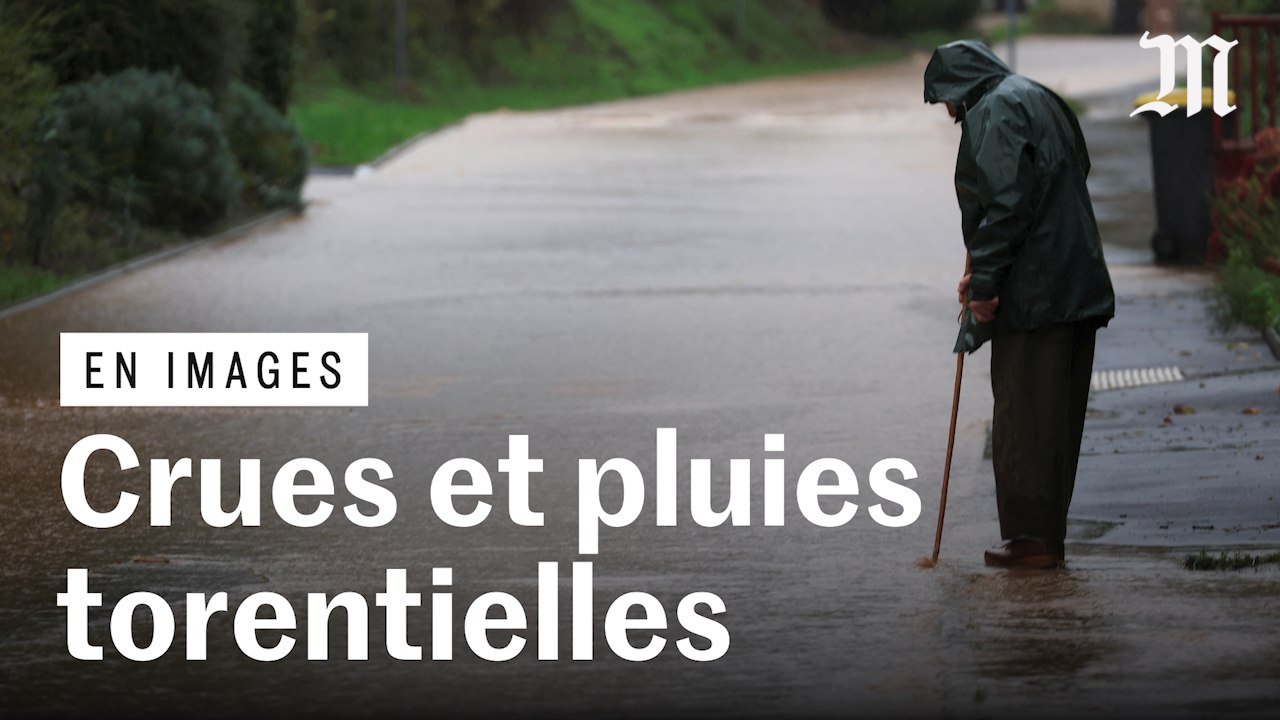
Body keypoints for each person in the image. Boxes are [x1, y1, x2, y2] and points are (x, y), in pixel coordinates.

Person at [923, 40, 1116, 569]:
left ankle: (1031, 539)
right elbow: (1071, 168)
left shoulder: (993, 112)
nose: (947, 111)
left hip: (1036, 295)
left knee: (1024, 415)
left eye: (946, 99)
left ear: (964, 88)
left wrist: (985, 284)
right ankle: (1046, 536)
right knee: (1057, 418)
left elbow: (1006, 203)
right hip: (1077, 282)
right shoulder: (1038, 97)